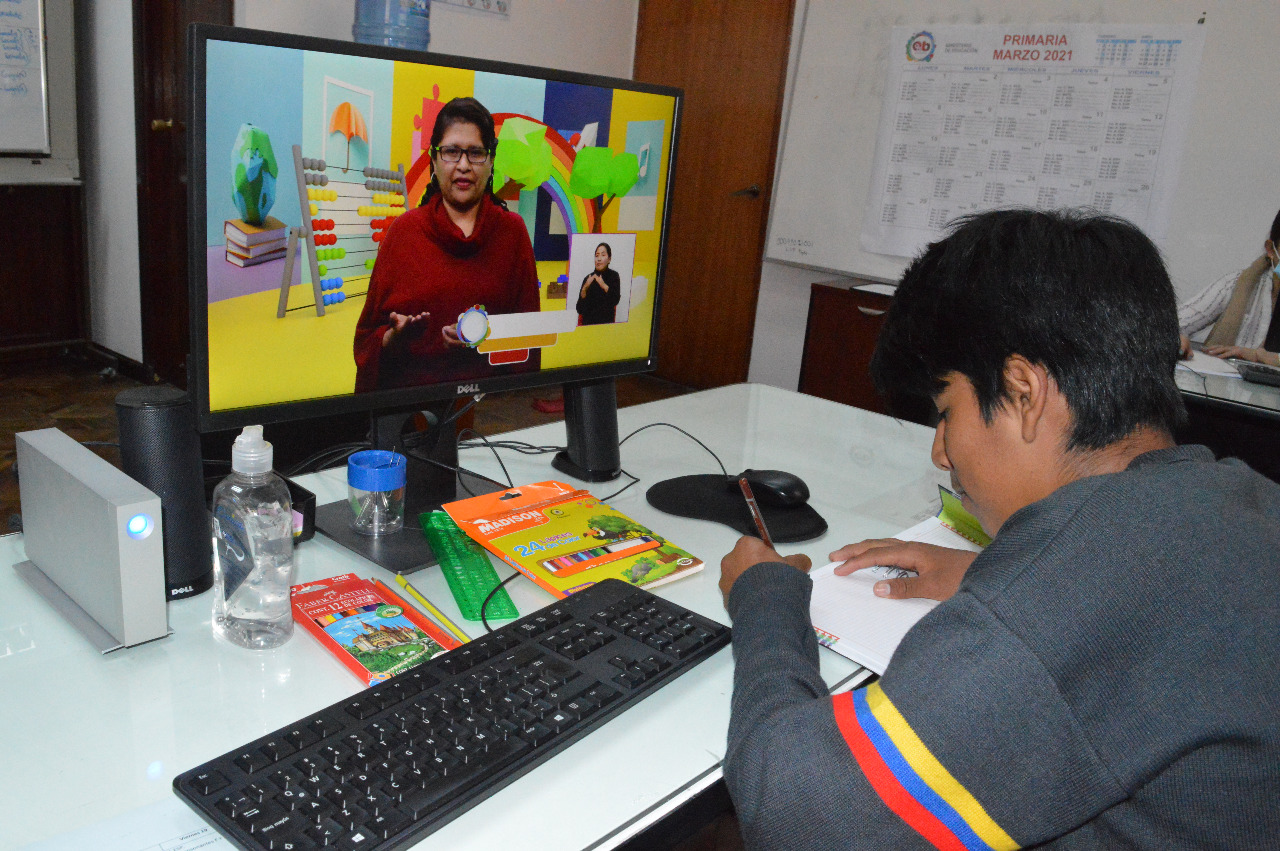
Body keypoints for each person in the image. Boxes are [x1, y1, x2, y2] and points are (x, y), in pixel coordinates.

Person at [719, 209, 1280, 849]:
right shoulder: (1241, 498)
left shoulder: (1051, 610)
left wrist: (766, 601)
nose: (941, 453)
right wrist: (993, 571)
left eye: (946, 411)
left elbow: (797, 816)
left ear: (1023, 392)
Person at [353, 97, 540, 392]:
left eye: (476, 153)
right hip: (412, 408)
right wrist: (392, 338)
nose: (463, 165)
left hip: (491, 408)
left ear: (491, 161)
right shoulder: (403, 233)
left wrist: (483, 336)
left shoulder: (513, 233)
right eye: (452, 152)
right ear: (434, 160)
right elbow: (366, 340)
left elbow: (529, 340)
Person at [1178, 207, 1280, 366]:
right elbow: (1175, 323)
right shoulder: (1240, 283)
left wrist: (1268, 358)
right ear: (1271, 250)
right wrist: (1177, 337)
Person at [576, 242, 622, 325]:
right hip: (588, 326)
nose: (599, 259)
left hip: (605, 326)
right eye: (597, 255)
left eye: (603, 255)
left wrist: (603, 285)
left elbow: (615, 300)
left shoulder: (614, 276)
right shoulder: (588, 278)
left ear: (609, 259)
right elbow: (579, 309)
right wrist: (585, 288)